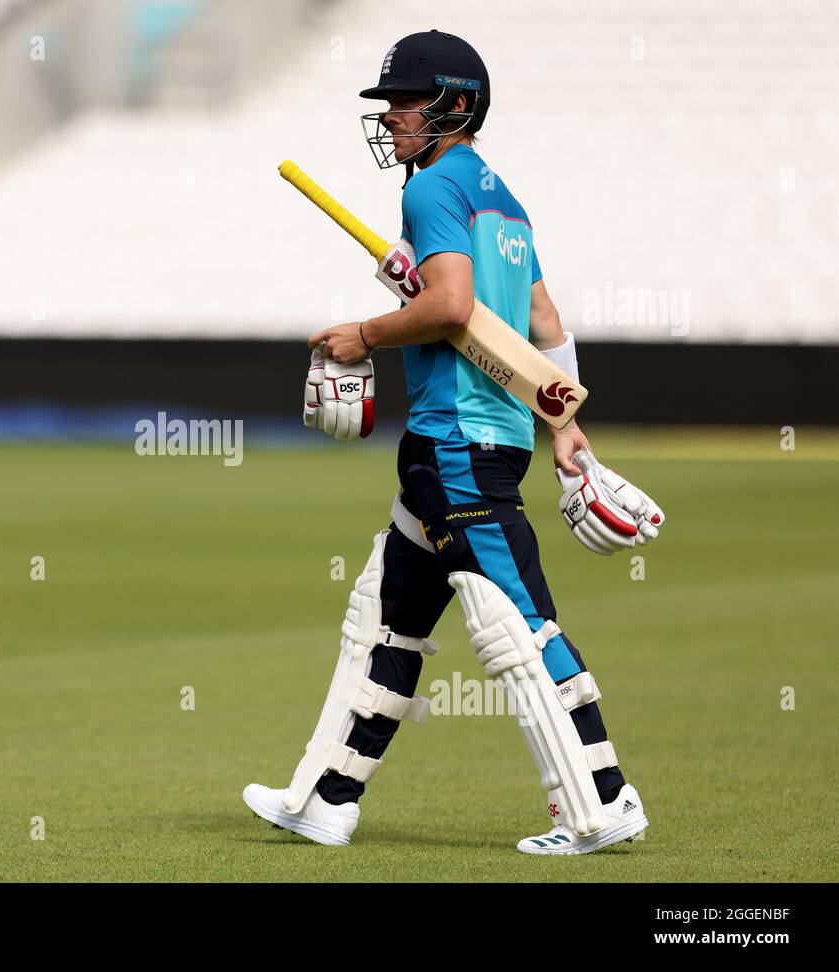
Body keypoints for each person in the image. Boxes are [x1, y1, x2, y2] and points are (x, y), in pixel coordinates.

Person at [243, 29, 664, 854]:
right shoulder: (504, 199)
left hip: (457, 445)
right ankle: (326, 798)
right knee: (384, 621)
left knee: (518, 624)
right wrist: (564, 426)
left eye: (406, 101)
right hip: (485, 439)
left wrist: (365, 333)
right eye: (389, 103)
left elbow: (449, 307)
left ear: (456, 107)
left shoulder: (433, 189)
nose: (392, 116)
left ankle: (601, 803)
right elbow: (543, 326)